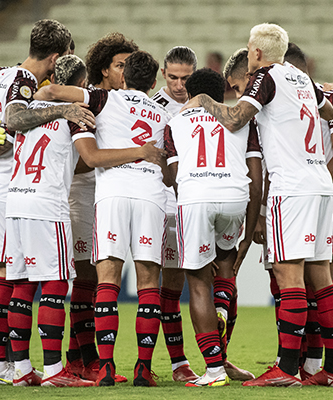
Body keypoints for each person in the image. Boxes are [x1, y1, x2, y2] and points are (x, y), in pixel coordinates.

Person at [183, 23, 333, 388]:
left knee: (289, 277)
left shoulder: (267, 76)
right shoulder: (303, 79)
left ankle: (286, 369)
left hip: (291, 187)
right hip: (321, 182)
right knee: (321, 278)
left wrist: (206, 101)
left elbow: (237, 117)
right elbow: (329, 114)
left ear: (256, 52)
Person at [0, 19, 94, 386]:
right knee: (9, 277)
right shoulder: (27, 85)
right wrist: (59, 111)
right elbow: (14, 119)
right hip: (5, 188)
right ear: (57, 56)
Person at [3, 54, 165, 387]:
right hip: (146, 195)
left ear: (122, 78)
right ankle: (140, 368)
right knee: (147, 283)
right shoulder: (164, 112)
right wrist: (143, 153)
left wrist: (36, 99)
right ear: (154, 82)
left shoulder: (103, 100)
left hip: (43, 196)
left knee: (101, 280)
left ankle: (96, 365)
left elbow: (42, 101)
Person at [164, 68, 263, 387]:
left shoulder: (174, 122)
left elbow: (173, 176)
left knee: (197, 282)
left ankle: (214, 370)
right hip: (235, 195)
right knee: (226, 262)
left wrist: (191, 206)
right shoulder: (243, 120)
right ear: (222, 93)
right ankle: (222, 307)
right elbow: (256, 173)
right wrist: (250, 226)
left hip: (195, 196)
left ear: (190, 94)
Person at [282, 42, 333, 383]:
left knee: (320, 279)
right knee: (310, 281)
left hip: (322, 195)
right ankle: (315, 361)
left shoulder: (324, 96)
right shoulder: (297, 98)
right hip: (311, 193)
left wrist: (313, 189)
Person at [64, 32, 139, 384]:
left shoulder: (127, 104)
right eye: (119, 65)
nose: (125, 71)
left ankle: (75, 357)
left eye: (128, 65)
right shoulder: (91, 103)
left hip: (107, 197)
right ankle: (84, 358)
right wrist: (122, 158)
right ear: (103, 70)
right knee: (86, 278)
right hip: (81, 195)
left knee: (95, 280)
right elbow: (75, 162)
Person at [151, 45, 200, 383]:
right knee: (165, 286)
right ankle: (178, 363)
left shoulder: (208, 103)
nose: (180, 84)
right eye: (173, 77)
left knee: (200, 284)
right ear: (163, 75)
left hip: (197, 201)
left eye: (186, 78)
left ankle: (217, 360)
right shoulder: (154, 107)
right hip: (164, 204)